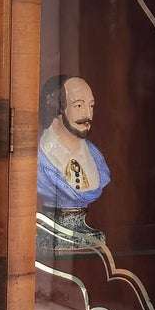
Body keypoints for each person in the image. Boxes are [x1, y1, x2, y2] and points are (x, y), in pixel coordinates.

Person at [36, 74, 111, 248]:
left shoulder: (97, 160)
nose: (88, 114)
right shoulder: (38, 159)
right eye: (79, 105)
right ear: (57, 108)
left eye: (91, 106)